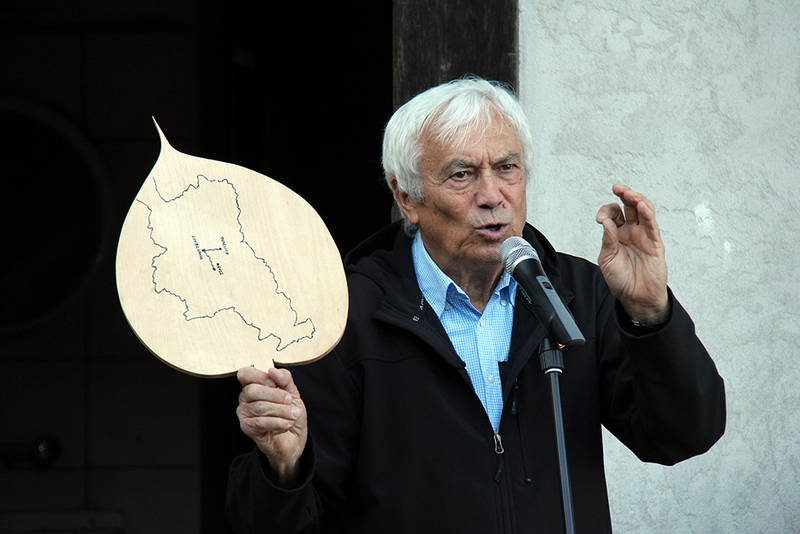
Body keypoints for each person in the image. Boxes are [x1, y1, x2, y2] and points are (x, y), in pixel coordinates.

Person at [226, 78, 726, 533]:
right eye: (462, 175)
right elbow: (278, 522)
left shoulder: (577, 292)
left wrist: (650, 313)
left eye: (507, 168)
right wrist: (285, 467)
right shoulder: (348, 316)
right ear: (407, 198)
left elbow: (682, 436)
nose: (493, 196)